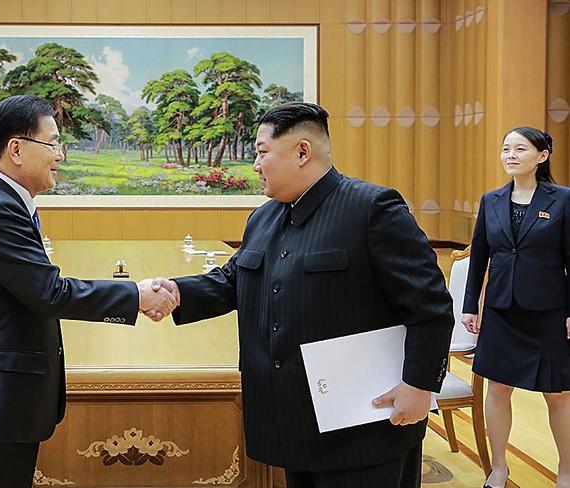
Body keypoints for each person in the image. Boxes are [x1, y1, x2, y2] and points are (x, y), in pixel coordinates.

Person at [151, 102, 454, 488]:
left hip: (364, 426)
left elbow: (431, 305)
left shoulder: (372, 209)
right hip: (294, 421)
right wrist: (175, 292)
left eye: (262, 153)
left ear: (302, 152)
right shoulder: (263, 216)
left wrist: (419, 385)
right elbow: (234, 280)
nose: (255, 166)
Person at [0, 95, 177, 488]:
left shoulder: (5, 201)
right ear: (17, 148)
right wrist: (137, 295)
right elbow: (50, 292)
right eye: (53, 144)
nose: (60, 156)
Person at [462, 127, 570, 488]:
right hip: (501, 310)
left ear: (542, 156)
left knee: (557, 393)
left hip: (548, 310)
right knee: (498, 389)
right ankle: (498, 467)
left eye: (520, 149)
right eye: (505, 148)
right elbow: (479, 256)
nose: (510, 154)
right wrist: (469, 306)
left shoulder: (563, 200)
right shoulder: (490, 200)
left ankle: (566, 471)